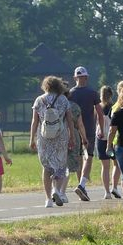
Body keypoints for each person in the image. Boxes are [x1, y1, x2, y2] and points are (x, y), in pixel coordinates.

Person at [30, 76, 75, 208]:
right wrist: (72, 136)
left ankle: (48, 199)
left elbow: (34, 121)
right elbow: (70, 120)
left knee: (46, 167)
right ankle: (57, 190)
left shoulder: (39, 100)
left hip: (44, 138)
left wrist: (32, 138)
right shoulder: (63, 100)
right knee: (60, 165)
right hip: (60, 136)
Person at [68, 66, 101, 201]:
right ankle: (82, 185)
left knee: (79, 157)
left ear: (75, 78)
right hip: (89, 129)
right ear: (86, 77)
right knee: (89, 157)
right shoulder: (93, 93)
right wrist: (101, 128)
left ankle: (80, 184)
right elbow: (99, 112)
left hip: (74, 129)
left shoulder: (70, 93)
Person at [61, 84, 89, 205]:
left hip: (56, 137)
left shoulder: (53, 106)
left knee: (59, 164)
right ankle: (62, 192)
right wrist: (84, 138)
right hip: (73, 136)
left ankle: (55, 189)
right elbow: (80, 124)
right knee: (69, 165)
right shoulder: (74, 106)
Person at [95, 86, 123, 199]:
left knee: (105, 166)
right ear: (111, 95)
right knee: (116, 164)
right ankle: (114, 187)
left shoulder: (98, 107)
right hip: (113, 138)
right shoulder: (115, 107)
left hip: (101, 137)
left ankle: (106, 192)